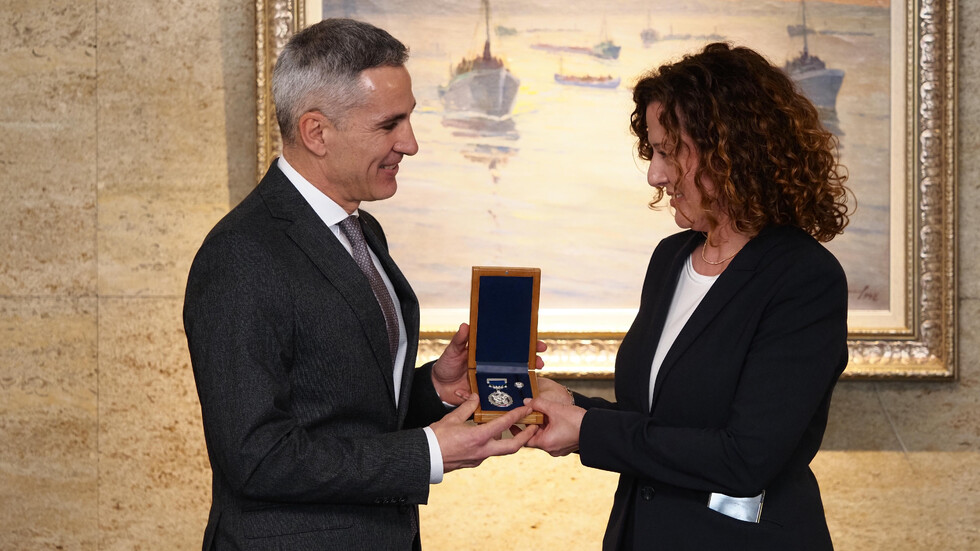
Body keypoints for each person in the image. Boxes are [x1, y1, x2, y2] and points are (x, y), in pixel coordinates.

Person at [183, 18, 540, 550]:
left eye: (410, 118)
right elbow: (255, 458)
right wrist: (427, 452)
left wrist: (433, 388)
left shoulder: (362, 229)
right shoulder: (241, 255)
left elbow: (347, 412)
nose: (410, 144)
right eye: (389, 125)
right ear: (316, 133)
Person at [527, 42, 852, 550]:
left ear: (730, 150)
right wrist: (568, 404)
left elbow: (745, 459)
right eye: (652, 152)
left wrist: (587, 430)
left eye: (667, 152)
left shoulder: (804, 278)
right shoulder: (671, 258)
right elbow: (661, 426)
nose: (655, 175)